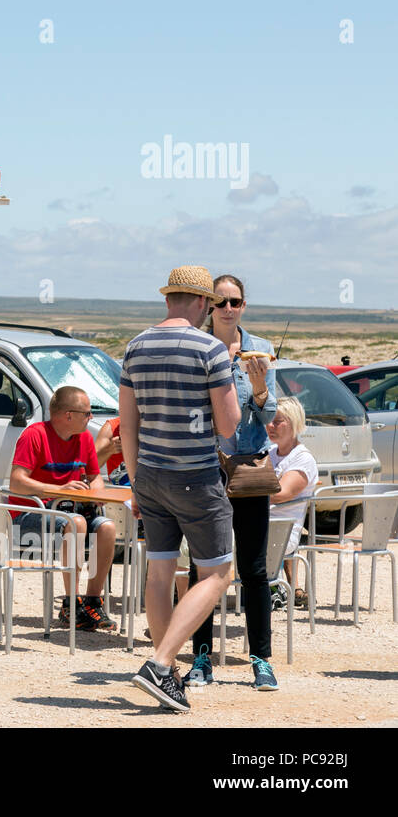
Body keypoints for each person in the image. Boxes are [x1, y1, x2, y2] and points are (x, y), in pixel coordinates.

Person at [121, 266, 240, 712]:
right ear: (203, 302)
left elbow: (127, 426)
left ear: (169, 298)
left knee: (159, 572)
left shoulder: (135, 346)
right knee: (216, 574)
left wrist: (136, 481)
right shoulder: (210, 349)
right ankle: (160, 662)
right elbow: (228, 426)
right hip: (195, 476)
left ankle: (166, 676)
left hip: (148, 474)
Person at [183, 274, 281, 692]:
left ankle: (260, 659)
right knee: (203, 569)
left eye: (234, 301)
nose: (227, 308)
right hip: (205, 469)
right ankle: (201, 658)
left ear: (244, 305)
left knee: (255, 569)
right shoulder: (195, 347)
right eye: (220, 301)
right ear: (208, 305)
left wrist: (259, 389)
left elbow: (269, 416)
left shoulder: (261, 350)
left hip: (247, 471)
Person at [9, 385, 119, 632]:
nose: (91, 418)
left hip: (72, 511)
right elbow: (16, 480)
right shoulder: (34, 435)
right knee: (75, 523)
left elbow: (95, 476)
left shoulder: (84, 439)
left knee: (108, 528)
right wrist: (58, 490)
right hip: (30, 515)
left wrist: (95, 494)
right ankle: (71, 604)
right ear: (69, 415)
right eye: (87, 413)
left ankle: (92, 601)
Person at [266, 396, 316, 609]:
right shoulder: (270, 453)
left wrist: (244, 491)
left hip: (281, 533)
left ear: (295, 423)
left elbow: (280, 493)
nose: (270, 425)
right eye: (269, 420)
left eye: (278, 421)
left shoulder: (302, 459)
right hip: (266, 525)